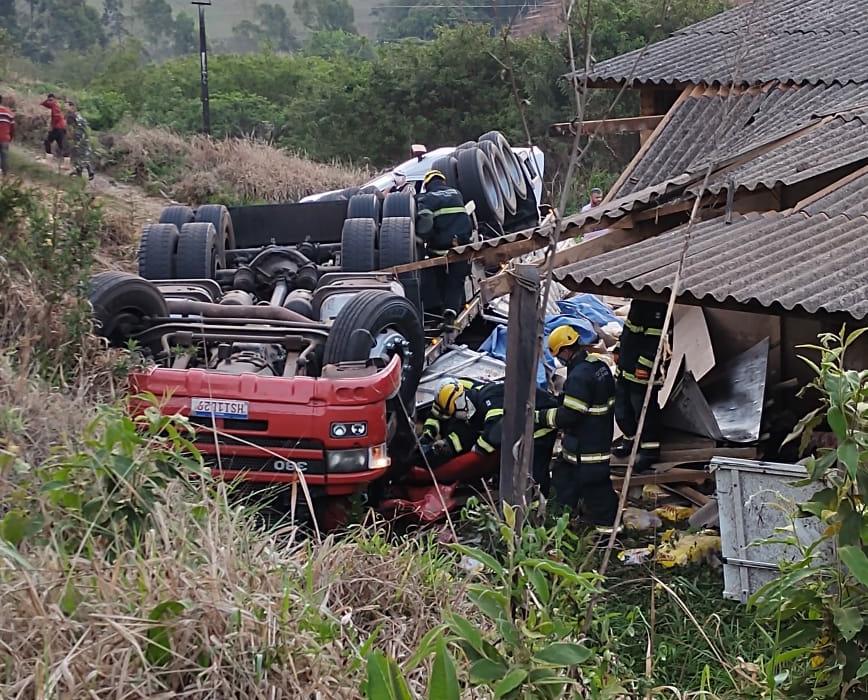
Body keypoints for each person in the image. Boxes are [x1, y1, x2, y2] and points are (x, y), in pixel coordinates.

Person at [535, 324, 618, 524]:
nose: (559, 359)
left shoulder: (579, 376)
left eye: (558, 355)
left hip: (587, 450)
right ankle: (558, 526)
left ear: (565, 350)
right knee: (563, 483)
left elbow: (570, 415)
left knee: (598, 494)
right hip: (590, 444)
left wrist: (540, 417)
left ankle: (608, 538)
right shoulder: (599, 366)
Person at [426, 378, 559, 496]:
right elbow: (437, 413)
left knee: (533, 468)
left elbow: (491, 440)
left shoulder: (491, 407)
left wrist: (472, 456)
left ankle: (540, 502)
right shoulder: (459, 389)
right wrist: (427, 434)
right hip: (514, 419)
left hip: (538, 423)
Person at [612, 300, 666, 472]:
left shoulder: (658, 308)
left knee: (645, 413)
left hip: (641, 376)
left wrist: (644, 365)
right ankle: (630, 440)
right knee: (622, 410)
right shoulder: (638, 304)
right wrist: (618, 350)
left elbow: (655, 342)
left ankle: (649, 452)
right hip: (625, 371)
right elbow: (628, 331)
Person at [415, 169, 473, 327]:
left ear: (427, 184)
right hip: (461, 244)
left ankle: (445, 311)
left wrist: (420, 238)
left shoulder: (428, 198)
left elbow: (426, 223)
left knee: (441, 279)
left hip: (439, 248)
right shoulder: (456, 193)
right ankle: (453, 311)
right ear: (443, 181)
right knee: (456, 280)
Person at [65, 102, 94, 180]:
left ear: (72, 107)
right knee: (81, 156)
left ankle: (85, 172)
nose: (65, 107)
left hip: (81, 139)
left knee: (79, 155)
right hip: (82, 138)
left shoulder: (76, 117)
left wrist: (77, 141)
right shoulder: (76, 116)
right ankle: (82, 173)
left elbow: (79, 130)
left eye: (67, 106)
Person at [40, 93, 67, 158]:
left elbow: (56, 117)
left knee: (47, 141)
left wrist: (52, 126)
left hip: (57, 127)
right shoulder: (56, 104)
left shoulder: (55, 105)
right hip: (62, 127)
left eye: (50, 99)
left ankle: (49, 157)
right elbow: (43, 104)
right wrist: (48, 100)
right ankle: (66, 162)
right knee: (61, 145)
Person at [0, 95, 15, 177]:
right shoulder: (9, 113)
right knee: (4, 158)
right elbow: (12, 128)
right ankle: (4, 176)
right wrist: (10, 138)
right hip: (5, 139)